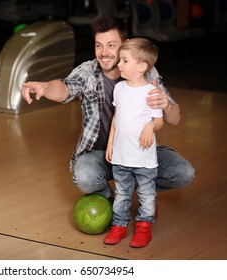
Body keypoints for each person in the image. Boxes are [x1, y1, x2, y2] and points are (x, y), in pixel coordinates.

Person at [21, 17, 194, 208]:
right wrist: (45, 87)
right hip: (101, 155)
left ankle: (138, 190)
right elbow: (65, 89)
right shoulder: (88, 72)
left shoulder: (144, 72)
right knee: (85, 176)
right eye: (98, 45)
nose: (104, 53)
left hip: (137, 152)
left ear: (124, 45)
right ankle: (112, 200)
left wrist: (166, 105)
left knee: (183, 173)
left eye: (111, 45)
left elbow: (175, 118)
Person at [103, 38, 162, 248]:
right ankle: (118, 226)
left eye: (124, 61)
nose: (119, 64)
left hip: (143, 158)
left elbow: (159, 121)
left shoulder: (151, 92)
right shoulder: (119, 89)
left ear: (142, 66)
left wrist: (150, 126)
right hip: (121, 156)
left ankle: (144, 228)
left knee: (146, 195)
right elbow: (116, 119)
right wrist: (111, 144)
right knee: (122, 193)